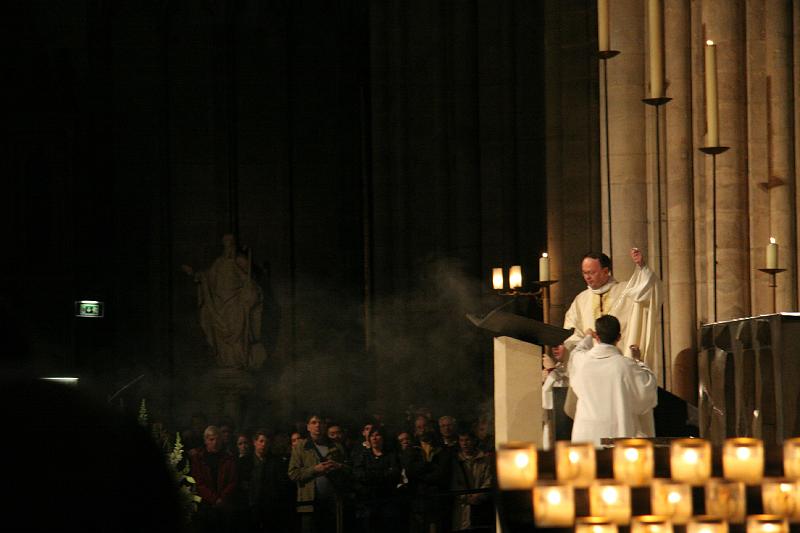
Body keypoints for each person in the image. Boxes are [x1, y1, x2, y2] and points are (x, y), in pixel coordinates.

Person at [546, 247, 661, 437]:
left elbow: (649, 290)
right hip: (595, 372)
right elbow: (572, 335)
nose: (587, 277)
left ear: (606, 271)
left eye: (591, 272)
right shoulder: (581, 300)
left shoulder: (626, 292)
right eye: (584, 272)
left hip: (619, 373)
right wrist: (567, 347)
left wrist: (642, 268)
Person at [568, 315, 658, 447]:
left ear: (597, 336)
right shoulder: (626, 366)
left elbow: (576, 352)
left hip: (586, 435)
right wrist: (638, 361)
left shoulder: (582, 362)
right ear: (619, 337)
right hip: (616, 432)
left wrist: (587, 337)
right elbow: (647, 390)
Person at [182, 234, 267, 370]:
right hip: (220, 305)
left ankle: (240, 360)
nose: (229, 248)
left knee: (238, 333)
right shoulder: (218, 263)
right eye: (226, 244)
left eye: (231, 244)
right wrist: (194, 274)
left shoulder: (239, 261)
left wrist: (250, 288)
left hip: (236, 303)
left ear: (234, 246)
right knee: (222, 336)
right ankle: (226, 361)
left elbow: (251, 278)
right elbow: (207, 277)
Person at [288, 414, 350, 533]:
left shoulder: (336, 446)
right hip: (309, 504)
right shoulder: (300, 447)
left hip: (333, 503)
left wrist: (338, 466)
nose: (318, 425)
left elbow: (349, 470)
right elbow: (293, 473)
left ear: (325, 426)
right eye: (314, 422)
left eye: (321, 422)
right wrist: (315, 469)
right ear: (308, 427)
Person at [190, 425, 239, 532]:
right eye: (211, 440)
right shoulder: (198, 458)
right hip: (205, 505)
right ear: (205, 441)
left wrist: (222, 498)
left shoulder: (228, 458)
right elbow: (199, 482)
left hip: (224, 505)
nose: (215, 443)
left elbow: (233, 481)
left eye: (218, 439)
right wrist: (214, 499)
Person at [450, 430, 494, 531]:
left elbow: (489, 480)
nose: (464, 443)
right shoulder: (456, 461)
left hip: (481, 506)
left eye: (467, 440)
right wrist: (465, 497)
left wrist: (478, 496)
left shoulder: (484, 460)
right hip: (462, 508)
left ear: (473, 441)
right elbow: (455, 482)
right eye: (461, 440)